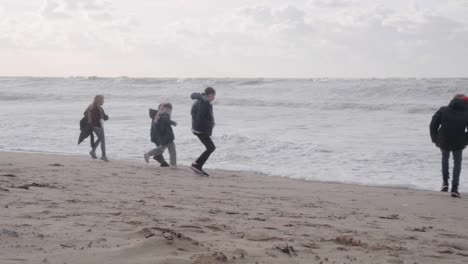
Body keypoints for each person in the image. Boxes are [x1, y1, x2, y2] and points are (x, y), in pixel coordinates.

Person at [430, 94, 468, 198]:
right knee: (457, 162)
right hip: (459, 141)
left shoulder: (443, 110)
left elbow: (433, 124)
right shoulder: (466, 112)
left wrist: (435, 138)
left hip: (444, 140)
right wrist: (465, 140)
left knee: (445, 158)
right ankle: (455, 188)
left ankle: (445, 183)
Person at [190, 87, 216, 176]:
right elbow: (200, 117)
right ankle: (197, 165)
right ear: (210, 95)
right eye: (213, 96)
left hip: (197, 128)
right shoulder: (204, 103)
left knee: (210, 147)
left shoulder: (200, 100)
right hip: (200, 130)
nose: (214, 98)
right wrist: (210, 124)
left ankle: (197, 165)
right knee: (211, 147)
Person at [144, 103, 177, 169]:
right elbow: (166, 120)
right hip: (167, 136)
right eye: (170, 110)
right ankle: (173, 164)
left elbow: (158, 125)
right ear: (167, 109)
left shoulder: (158, 116)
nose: (170, 112)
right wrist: (173, 122)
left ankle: (148, 154)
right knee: (172, 151)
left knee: (160, 149)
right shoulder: (165, 115)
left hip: (162, 136)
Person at [85, 95, 109, 162]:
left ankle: (93, 151)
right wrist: (107, 117)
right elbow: (104, 118)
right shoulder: (100, 109)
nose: (103, 101)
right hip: (99, 126)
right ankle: (103, 156)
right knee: (103, 141)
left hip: (92, 126)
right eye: (103, 100)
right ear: (99, 100)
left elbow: (84, 113)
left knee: (100, 139)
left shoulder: (90, 106)